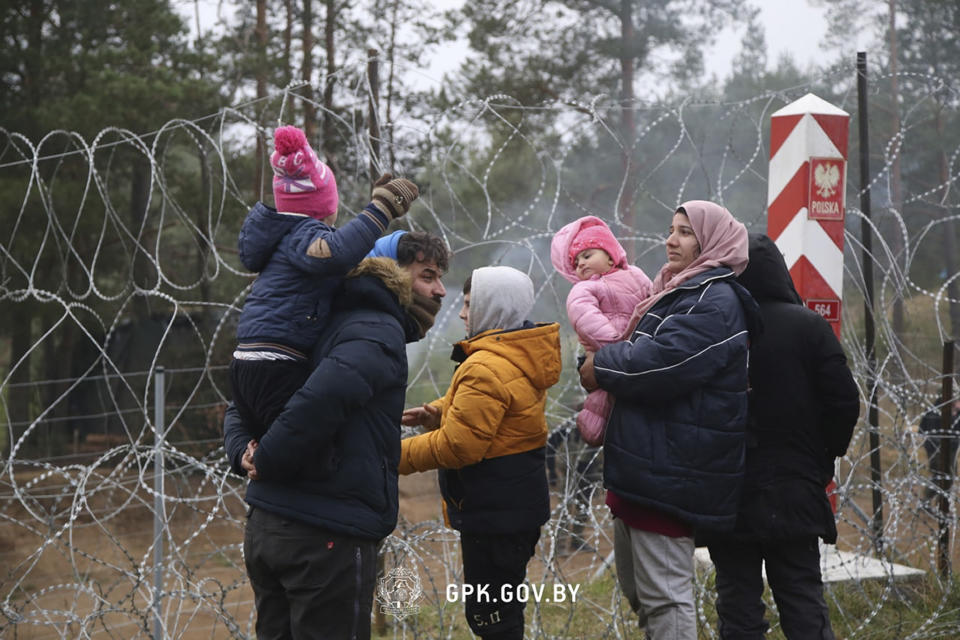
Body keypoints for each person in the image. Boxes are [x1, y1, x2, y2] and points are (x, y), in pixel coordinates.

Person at [579, 200, 761, 639]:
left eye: (684, 232)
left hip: (673, 471)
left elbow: (659, 362)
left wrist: (600, 366)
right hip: (646, 467)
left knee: (665, 599)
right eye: (670, 229)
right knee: (642, 593)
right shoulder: (674, 289)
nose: (670, 239)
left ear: (711, 241)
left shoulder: (713, 301)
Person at [222, 255, 419, 640]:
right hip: (325, 534)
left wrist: (239, 449)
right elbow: (322, 399)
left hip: (270, 526)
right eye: (428, 276)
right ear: (395, 282)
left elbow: (243, 397)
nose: (440, 289)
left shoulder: (307, 326)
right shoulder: (375, 329)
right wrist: (264, 458)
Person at [704, 232, 860, 640]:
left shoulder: (717, 328)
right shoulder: (809, 326)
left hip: (728, 486)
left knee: (737, 603)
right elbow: (843, 401)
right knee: (802, 597)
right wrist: (822, 457)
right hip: (794, 483)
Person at [397, 266, 562, 640]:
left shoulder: (485, 365)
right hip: (512, 510)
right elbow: (497, 411)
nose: (462, 313)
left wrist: (391, 456)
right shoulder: (515, 353)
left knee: (491, 619)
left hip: (494, 517)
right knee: (501, 612)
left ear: (494, 308)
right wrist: (438, 412)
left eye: (470, 304)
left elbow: (459, 445)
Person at [231, 124, 417, 441]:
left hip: (250, 360)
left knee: (272, 445)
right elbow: (338, 252)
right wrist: (380, 210)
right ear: (321, 205)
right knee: (303, 451)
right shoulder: (304, 236)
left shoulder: (286, 239)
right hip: (278, 361)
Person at [549, 215, 652, 445]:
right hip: (608, 353)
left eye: (587, 255)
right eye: (576, 263)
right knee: (602, 403)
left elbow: (651, 300)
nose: (581, 264)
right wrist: (614, 347)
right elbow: (586, 318)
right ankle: (595, 432)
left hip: (637, 350)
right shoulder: (584, 288)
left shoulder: (635, 274)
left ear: (610, 256)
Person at [367, 229, 450, 338]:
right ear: (391, 276)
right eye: (427, 277)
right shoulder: (374, 332)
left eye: (439, 278)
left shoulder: (384, 329)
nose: (442, 291)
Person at [918, 399, 960, 501]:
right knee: (940, 474)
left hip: (951, 449)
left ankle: (942, 503)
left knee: (950, 475)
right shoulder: (935, 411)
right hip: (935, 448)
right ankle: (926, 501)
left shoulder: (957, 413)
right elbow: (927, 430)